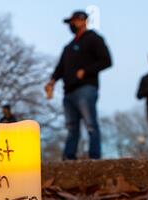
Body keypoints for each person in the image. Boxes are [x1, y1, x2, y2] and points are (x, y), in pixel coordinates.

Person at [45, 11, 112, 161]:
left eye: (73, 21)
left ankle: (94, 157)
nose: (71, 25)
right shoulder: (68, 47)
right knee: (71, 127)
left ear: (83, 21)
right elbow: (60, 67)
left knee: (90, 124)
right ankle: (69, 158)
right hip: (68, 92)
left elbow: (107, 60)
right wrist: (52, 81)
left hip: (86, 88)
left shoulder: (94, 39)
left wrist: (86, 70)